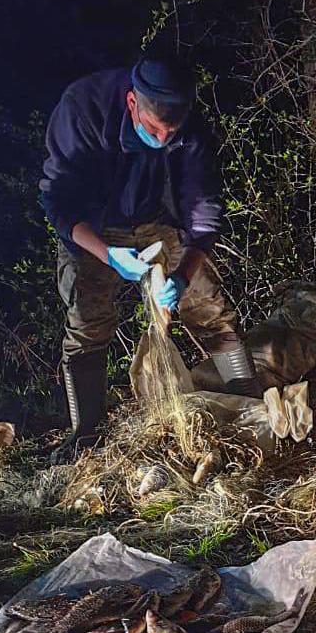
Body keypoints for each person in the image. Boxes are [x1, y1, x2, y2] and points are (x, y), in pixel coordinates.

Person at [39, 54, 260, 463]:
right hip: (95, 226)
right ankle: (86, 433)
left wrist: (183, 273)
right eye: (153, 128)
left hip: (159, 220)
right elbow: (59, 202)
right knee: (88, 321)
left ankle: (249, 400)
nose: (161, 138)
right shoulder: (82, 110)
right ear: (131, 104)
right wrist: (108, 255)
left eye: (170, 131)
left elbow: (204, 211)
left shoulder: (190, 131)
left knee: (209, 306)